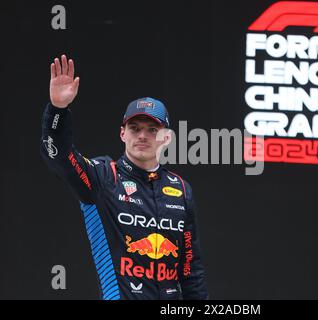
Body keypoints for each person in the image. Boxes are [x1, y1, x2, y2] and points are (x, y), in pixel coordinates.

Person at [41, 54, 209, 300]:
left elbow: (190, 271)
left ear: (167, 138)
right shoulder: (102, 176)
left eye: (152, 130)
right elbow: (59, 157)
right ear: (122, 134)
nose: (142, 135)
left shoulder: (181, 189)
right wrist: (58, 110)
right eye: (135, 128)